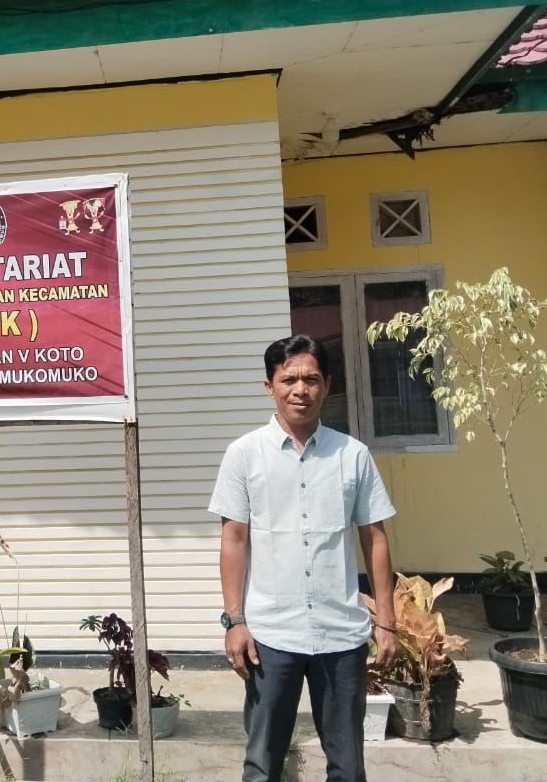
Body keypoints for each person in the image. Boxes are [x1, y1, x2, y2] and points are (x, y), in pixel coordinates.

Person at [208, 335, 398, 782]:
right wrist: (235, 621)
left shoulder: (353, 455)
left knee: (348, 766)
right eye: (288, 379)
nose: (300, 390)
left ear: (327, 384)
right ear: (269, 386)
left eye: (311, 379)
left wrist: (387, 621)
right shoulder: (244, 454)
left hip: (340, 634)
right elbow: (234, 539)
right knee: (262, 765)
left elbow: (375, 538)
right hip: (270, 636)